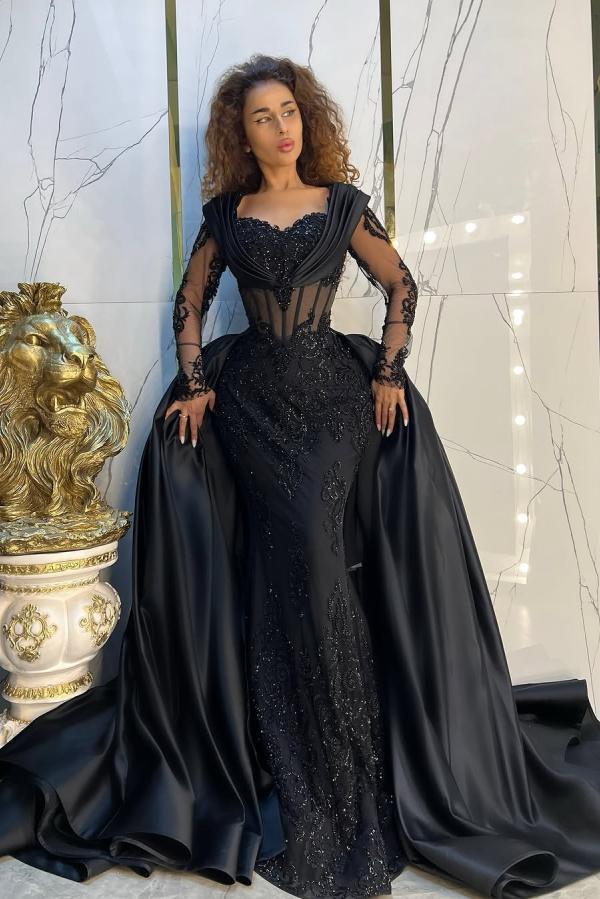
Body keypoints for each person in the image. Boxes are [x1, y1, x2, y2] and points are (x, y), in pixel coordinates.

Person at [1, 53, 600, 899]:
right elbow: (190, 302)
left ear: (304, 119)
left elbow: (400, 284)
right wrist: (196, 384)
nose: (281, 127)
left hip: (331, 403)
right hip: (251, 404)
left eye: (288, 111)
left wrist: (388, 372)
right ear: (241, 136)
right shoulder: (227, 213)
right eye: (262, 117)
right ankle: (289, 757)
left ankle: (355, 765)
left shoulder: (341, 204)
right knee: (284, 566)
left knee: (317, 559)